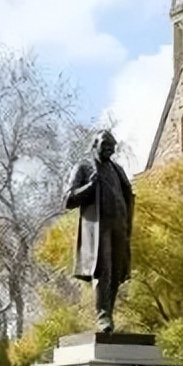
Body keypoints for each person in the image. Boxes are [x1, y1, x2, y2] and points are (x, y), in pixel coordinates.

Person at [64, 129, 135, 333]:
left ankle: (109, 314)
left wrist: (128, 224)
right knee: (102, 271)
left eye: (112, 145)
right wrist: (89, 187)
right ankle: (103, 318)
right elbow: (68, 199)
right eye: (105, 144)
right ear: (94, 145)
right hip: (98, 229)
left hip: (119, 227)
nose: (109, 148)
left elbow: (128, 196)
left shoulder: (117, 169)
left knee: (116, 273)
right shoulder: (84, 167)